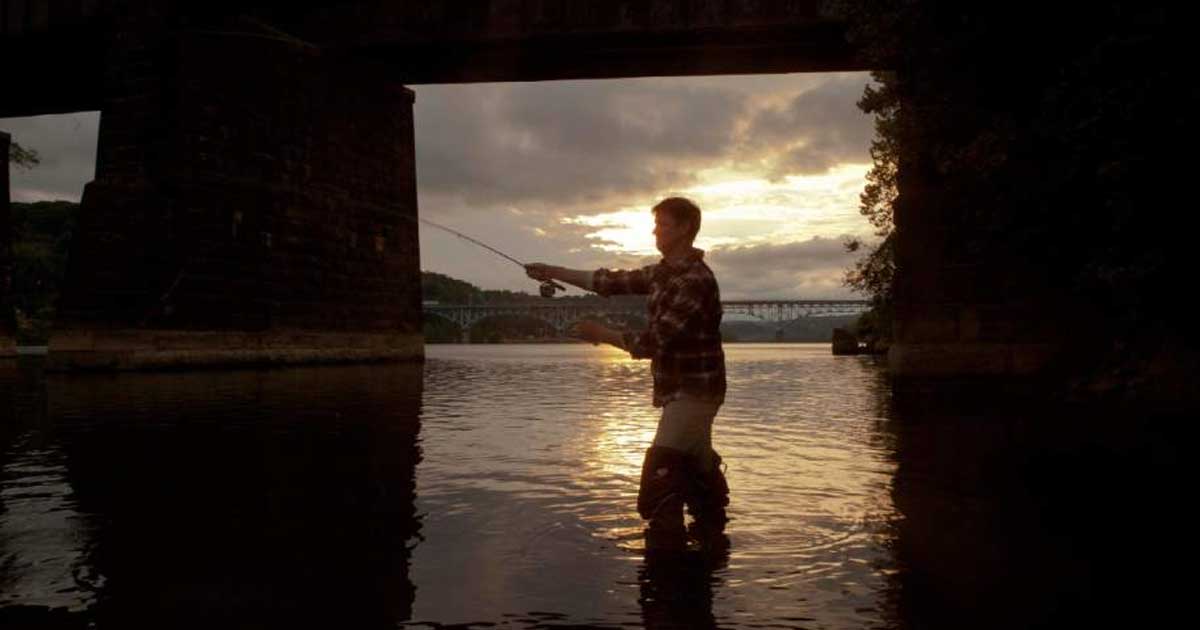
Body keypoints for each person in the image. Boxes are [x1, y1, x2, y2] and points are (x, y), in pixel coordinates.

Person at [525, 197, 729, 552]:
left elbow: (655, 342)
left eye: (662, 224)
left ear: (684, 229)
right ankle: (710, 551)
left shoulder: (695, 280)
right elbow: (607, 281)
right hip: (680, 390)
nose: (655, 230)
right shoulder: (662, 273)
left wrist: (600, 335)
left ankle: (669, 572)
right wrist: (553, 271)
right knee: (697, 469)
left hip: (695, 391)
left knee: (659, 486)